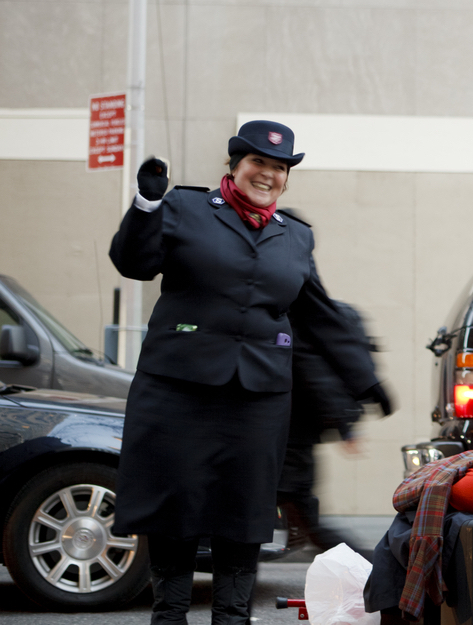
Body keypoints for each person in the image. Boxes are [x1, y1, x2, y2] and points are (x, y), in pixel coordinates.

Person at [109, 120, 390, 625]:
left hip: (257, 396)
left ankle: (232, 618)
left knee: (243, 513)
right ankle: (169, 616)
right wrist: (147, 204)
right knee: (174, 507)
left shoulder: (294, 236)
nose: (267, 175)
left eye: (279, 168)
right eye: (258, 162)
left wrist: (364, 379)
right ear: (235, 166)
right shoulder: (186, 208)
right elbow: (134, 263)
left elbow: (320, 314)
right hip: (178, 387)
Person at [278, 298, 380, 555]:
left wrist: (345, 427)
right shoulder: (313, 317)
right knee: (303, 517)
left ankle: (376, 566)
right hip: (295, 437)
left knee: (306, 518)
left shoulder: (297, 317)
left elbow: (315, 376)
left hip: (290, 438)